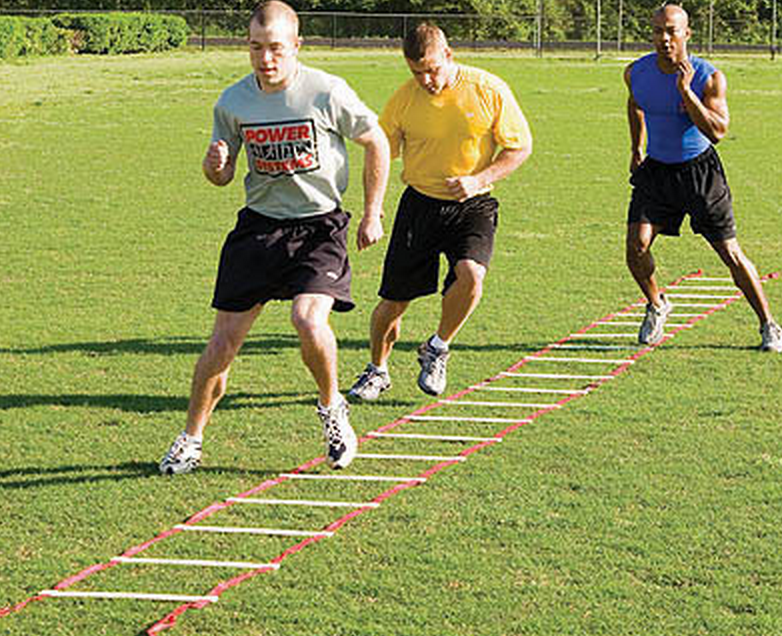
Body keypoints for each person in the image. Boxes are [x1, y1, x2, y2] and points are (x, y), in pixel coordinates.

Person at [159, 0, 390, 475]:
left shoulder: (327, 91)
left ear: (296, 47)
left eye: (276, 49)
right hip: (259, 228)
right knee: (222, 343)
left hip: (319, 227)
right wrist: (214, 167)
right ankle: (190, 438)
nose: (266, 59)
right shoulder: (233, 102)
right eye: (256, 48)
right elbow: (222, 178)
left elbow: (377, 141)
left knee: (308, 320)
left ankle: (332, 410)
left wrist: (372, 212)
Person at [348, 23, 532, 401]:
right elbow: (379, 154)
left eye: (432, 69)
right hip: (420, 204)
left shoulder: (488, 89)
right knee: (394, 302)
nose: (426, 79)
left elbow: (519, 147)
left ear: (449, 55)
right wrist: (372, 211)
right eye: (417, 72)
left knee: (471, 276)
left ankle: (437, 347)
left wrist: (479, 179)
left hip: (473, 204)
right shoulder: (403, 99)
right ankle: (377, 370)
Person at [625, 4, 781, 352]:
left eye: (671, 31)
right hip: (657, 171)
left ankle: (768, 324)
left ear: (686, 34)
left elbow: (718, 131)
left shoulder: (708, 77)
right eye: (657, 31)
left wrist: (686, 93)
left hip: (700, 172)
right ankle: (657, 304)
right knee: (636, 248)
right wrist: (636, 148)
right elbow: (635, 103)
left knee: (730, 253)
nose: (663, 39)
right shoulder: (636, 72)